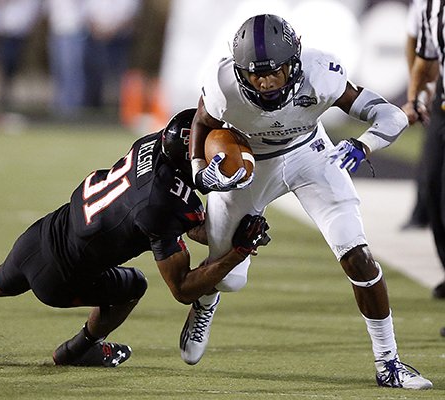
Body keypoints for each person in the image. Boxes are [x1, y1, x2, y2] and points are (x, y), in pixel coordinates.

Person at [0, 109, 271, 367]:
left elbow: (175, 217)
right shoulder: (164, 203)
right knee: (133, 286)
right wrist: (238, 250)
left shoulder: (153, 145)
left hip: (47, 232)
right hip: (64, 275)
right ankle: (78, 350)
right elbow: (183, 288)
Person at [179, 14, 433, 390]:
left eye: (274, 72)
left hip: (310, 155)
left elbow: (390, 115)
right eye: (254, 74)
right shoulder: (223, 84)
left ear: (295, 64)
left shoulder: (321, 72)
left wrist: (363, 145)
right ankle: (205, 303)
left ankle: (388, 362)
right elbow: (201, 123)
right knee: (228, 277)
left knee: (358, 255)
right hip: (249, 164)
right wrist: (201, 172)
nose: (264, 82)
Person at [401, 1, 445, 304]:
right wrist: (414, 97)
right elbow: (424, 56)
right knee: (432, 189)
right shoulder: (431, 5)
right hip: (443, 101)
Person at [400, 0, 434, 231]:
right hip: (439, 92)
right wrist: (420, 92)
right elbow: (416, 46)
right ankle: (422, 211)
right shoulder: (426, 6)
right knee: (433, 162)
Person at [83, 0, 141, 110]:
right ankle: (95, 106)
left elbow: (131, 16)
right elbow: (88, 13)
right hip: (97, 38)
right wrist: (99, 31)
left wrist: (113, 31)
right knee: (96, 74)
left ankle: (119, 107)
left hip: (120, 39)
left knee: (118, 76)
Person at [0, 0, 44, 109]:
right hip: (6, 31)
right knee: (6, 64)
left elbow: (37, 9)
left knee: (16, 65)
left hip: (21, 31)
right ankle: (4, 96)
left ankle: (10, 96)